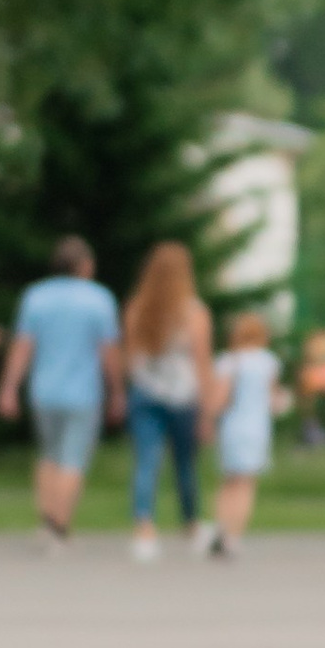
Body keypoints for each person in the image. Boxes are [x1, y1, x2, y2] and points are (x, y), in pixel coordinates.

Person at [0, 236, 123, 546]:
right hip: (83, 393)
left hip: (44, 390)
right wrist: (117, 390)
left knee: (49, 456)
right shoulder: (99, 299)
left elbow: (23, 346)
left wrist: (9, 387)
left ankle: (46, 518)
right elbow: (109, 351)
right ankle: (60, 524)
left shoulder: (36, 297)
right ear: (84, 265)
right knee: (73, 458)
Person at [121, 240, 215, 563]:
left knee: (147, 462)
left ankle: (144, 528)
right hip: (183, 396)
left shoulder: (137, 307)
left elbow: (130, 358)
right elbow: (202, 364)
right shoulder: (195, 312)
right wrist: (208, 410)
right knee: (185, 465)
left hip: (146, 392)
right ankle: (191, 525)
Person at [207, 310, 281, 558]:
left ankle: (220, 527)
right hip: (257, 428)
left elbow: (219, 399)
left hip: (232, 426)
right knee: (246, 484)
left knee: (228, 482)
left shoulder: (229, 361)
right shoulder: (268, 362)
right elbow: (273, 402)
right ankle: (234, 536)